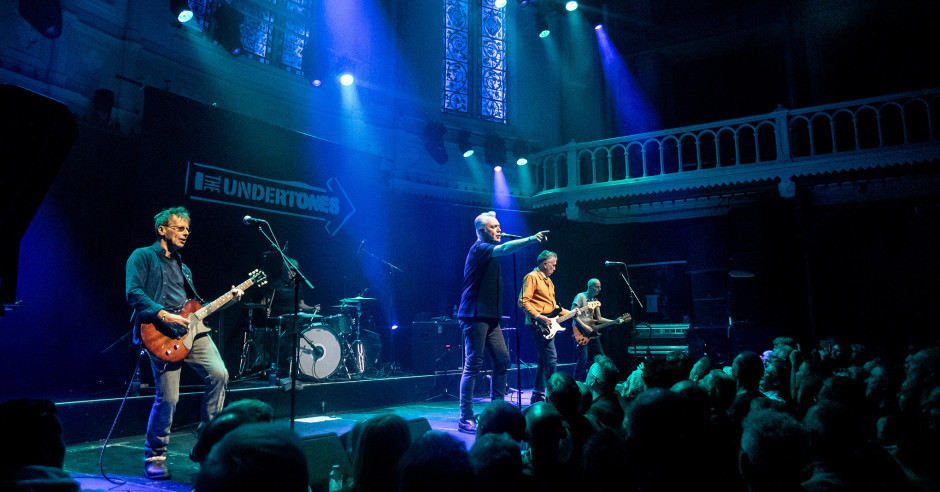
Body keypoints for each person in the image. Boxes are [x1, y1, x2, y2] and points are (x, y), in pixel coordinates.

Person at [125, 206, 241, 480]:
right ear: (162, 230)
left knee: (220, 374)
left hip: (192, 333)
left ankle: (208, 446)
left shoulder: (183, 267)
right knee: (169, 399)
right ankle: (155, 455)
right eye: (180, 228)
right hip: (160, 333)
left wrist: (229, 300)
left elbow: (196, 308)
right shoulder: (142, 256)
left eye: (188, 229)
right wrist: (164, 314)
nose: (186, 233)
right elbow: (133, 293)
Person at [456, 211, 547, 434]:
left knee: (502, 359)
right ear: (480, 231)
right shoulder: (480, 248)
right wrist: (529, 239)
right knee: (473, 364)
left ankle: (496, 410)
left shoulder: (490, 251)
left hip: (490, 316)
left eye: (498, 226)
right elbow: (505, 248)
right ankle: (465, 417)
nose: (498, 229)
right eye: (493, 227)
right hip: (474, 315)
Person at [518, 250, 568, 404]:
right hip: (538, 324)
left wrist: (574, 312)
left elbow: (553, 307)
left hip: (548, 323)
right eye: (553, 265)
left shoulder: (549, 282)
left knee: (544, 359)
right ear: (545, 264)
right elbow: (523, 301)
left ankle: (538, 393)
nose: (555, 268)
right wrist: (539, 316)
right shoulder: (532, 277)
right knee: (551, 359)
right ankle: (554, 395)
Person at [571, 278, 621, 382]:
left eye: (600, 287)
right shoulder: (580, 296)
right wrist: (585, 327)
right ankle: (576, 382)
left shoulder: (595, 301)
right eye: (596, 287)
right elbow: (573, 315)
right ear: (590, 287)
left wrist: (614, 321)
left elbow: (599, 318)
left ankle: (603, 380)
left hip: (592, 332)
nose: (599, 289)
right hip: (580, 331)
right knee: (583, 359)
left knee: (601, 357)